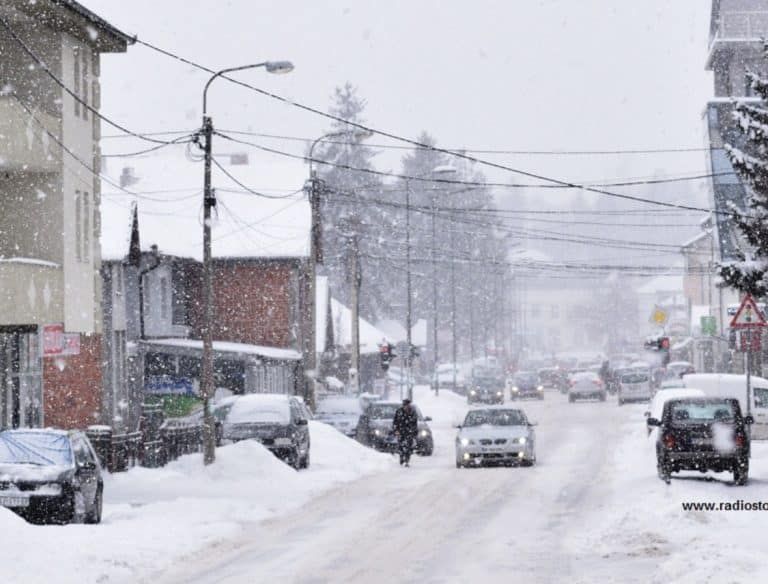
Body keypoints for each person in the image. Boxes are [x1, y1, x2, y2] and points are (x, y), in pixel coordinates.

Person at [392, 399, 419, 467]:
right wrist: (396, 430)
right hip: (401, 431)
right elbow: (395, 422)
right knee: (401, 446)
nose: (406, 406)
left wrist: (415, 432)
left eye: (408, 405)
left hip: (410, 432)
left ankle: (407, 460)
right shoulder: (399, 411)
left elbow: (415, 423)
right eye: (405, 405)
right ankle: (402, 458)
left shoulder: (413, 412)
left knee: (409, 447)